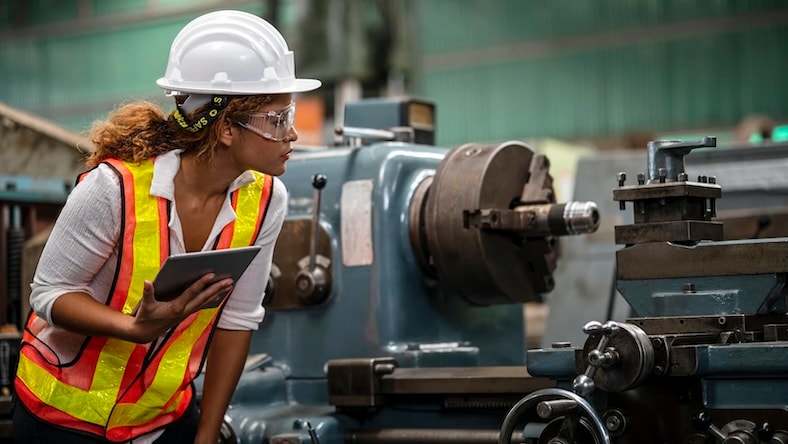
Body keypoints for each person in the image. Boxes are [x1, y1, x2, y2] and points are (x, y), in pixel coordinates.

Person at [12, 10, 320, 444]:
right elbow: (49, 293)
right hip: (60, 417)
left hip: (161, 421)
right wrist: (134, 328)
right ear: (227, 128)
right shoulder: (114, 188)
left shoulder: (267, 199)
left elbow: (237, 321)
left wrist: (206, 436)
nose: (292, 135)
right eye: (277, 119)